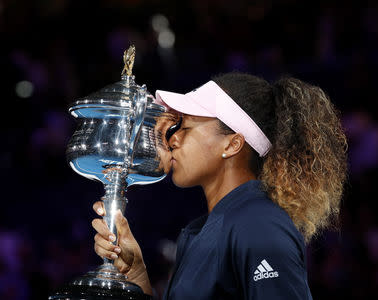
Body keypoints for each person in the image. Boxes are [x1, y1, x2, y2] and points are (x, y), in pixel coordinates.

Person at [91, 72, 347, 299]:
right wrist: (137, 273)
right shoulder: (203, 229)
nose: (173, 139)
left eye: (186, 128)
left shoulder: (258, 224)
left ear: (232, 144)